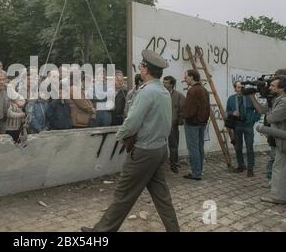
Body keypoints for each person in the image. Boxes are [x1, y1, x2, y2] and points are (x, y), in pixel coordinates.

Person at [82, 50, 180, 232]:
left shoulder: (146, 92)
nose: (140, 67)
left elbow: (132, 121)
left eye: (142, 65)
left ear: (145, 70)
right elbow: (167, 122)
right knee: (162, 197)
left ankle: (100, 232)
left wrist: (120, 136)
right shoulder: (164, 91)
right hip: (159, 149)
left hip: (144, 152)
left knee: (123, 194)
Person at [251, 75, 286, 204]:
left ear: (282, 89)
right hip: (280, 140)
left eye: (272, 86)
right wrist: (251, 96)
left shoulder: (283, 101)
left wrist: (269, 107)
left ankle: (278, 196)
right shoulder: (277, 100)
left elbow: (271, 118)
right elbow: (262, 110)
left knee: (279, 167)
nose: (269, 87)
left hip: (283, 140)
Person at [225, 81, 261, 177]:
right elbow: (227, 111)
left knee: (249, 148)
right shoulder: (231, 99)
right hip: (237, 125)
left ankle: (250, 168)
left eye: (242, 87)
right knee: (238, 147)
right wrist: (232, 113)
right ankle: (241, 166)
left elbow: (258, 110)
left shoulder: (250, 98)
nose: (241, 89)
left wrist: (253, 119)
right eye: (239, 87)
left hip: (248, 125)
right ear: (235, 89)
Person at [182, 69, 210, 180]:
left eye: (186, 76)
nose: (185, 78)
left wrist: (185, 117)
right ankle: (199, 170)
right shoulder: (204, 90)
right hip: (202, 123)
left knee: (193, 148)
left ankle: (196, 173)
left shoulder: (193, 91)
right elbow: (207, 108)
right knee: (199, 148)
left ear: (192, 77)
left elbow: (189, 109)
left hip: (192, 123)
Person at [163, 76, 185, 173]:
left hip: (172, 125)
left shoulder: (179, 96)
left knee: (173, 146)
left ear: (171, 84)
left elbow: (182, 110)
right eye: (163, 82)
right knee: (159, 146)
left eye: (166, 83)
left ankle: (174, 164)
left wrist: (179, 121)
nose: (164, 84)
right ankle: (160, 165)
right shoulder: (160, 94)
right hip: (160, 125)